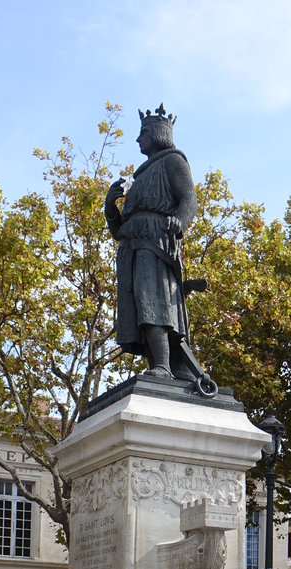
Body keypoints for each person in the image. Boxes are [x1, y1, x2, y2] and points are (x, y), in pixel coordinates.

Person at [104, 104, 208, 386]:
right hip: (132, 246)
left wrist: (179, 222)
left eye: (143, 133)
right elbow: (119, 230)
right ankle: (161, 364)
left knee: (153, 300)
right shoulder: (141, 177)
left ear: (158, 134)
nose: (138, 140)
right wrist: (110, 208)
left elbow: (190, 199)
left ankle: (162, 365)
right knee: (139, 302)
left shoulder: (173, 161)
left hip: (155, 242)